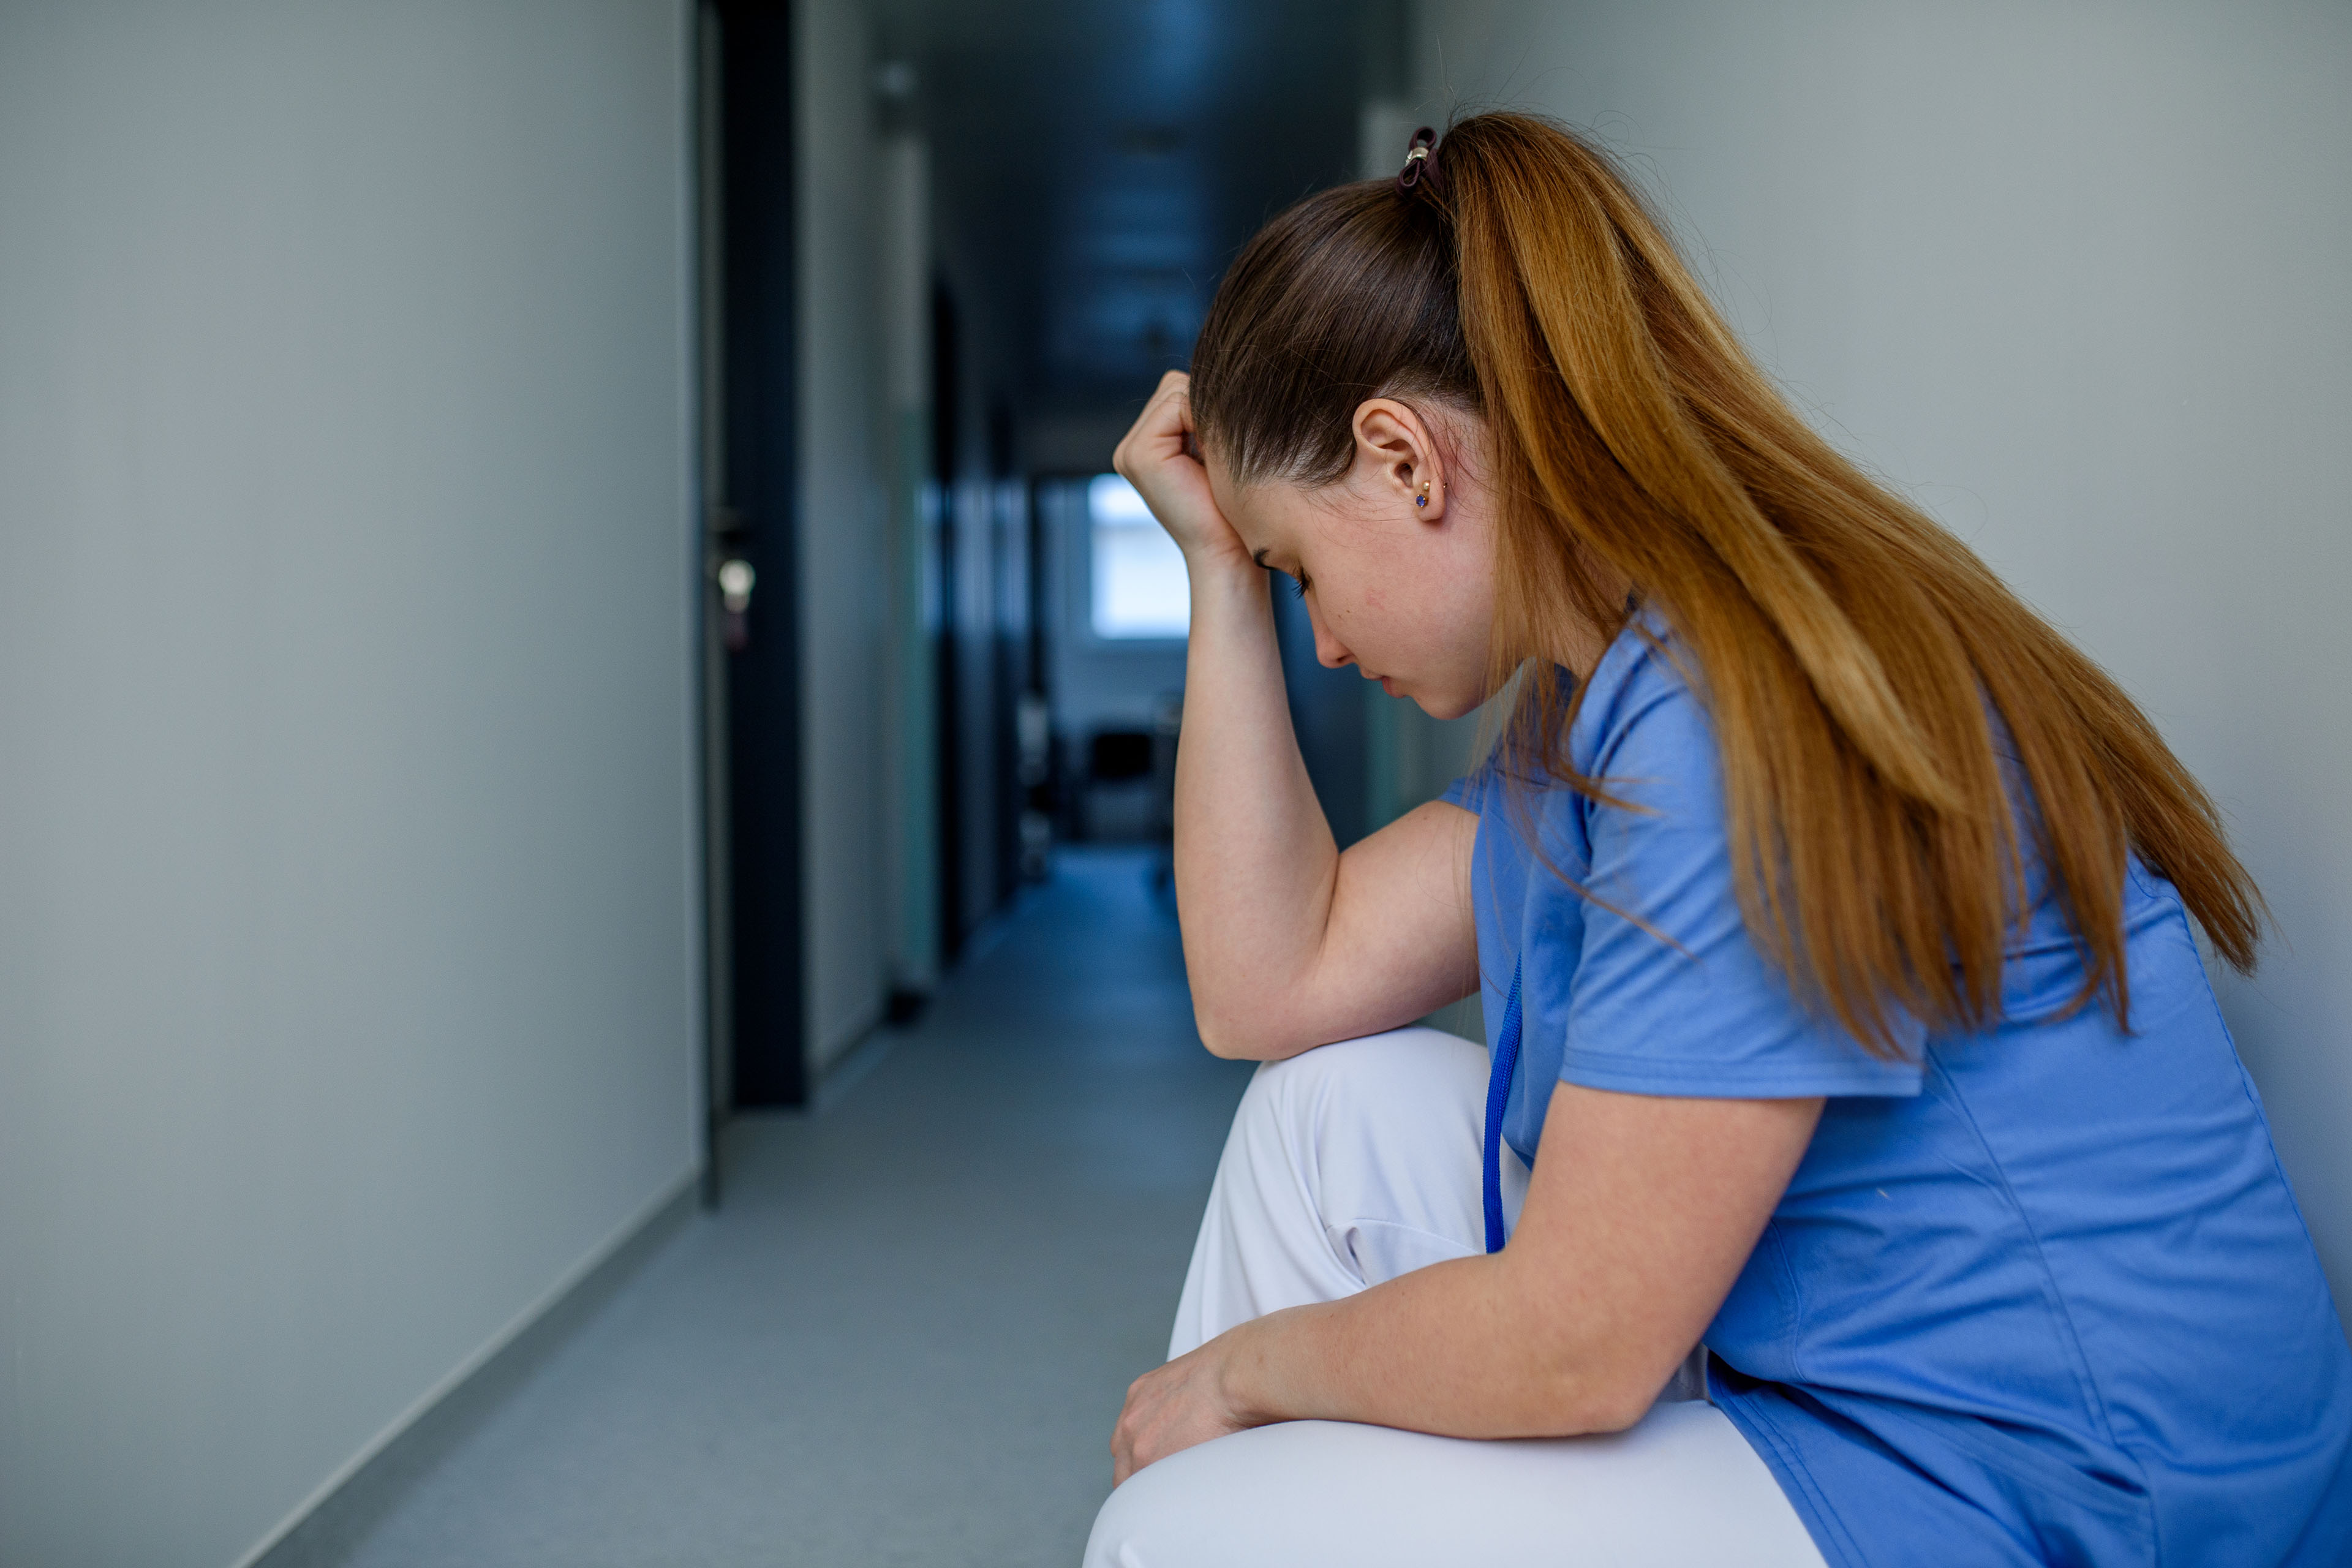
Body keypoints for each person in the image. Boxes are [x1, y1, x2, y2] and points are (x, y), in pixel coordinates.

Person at [1082, 113, 2352, 1568]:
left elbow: (1579, 1344)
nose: (1319, 636)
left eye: (1298, 570)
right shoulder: (1600, 700)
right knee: (1321, 1118)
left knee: (1181, 1524)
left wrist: (1243, 1376)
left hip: (2067, 1493)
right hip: (1856, 1386)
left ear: (1405, 459)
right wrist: (1218, 569)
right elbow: (1271, 982)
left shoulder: (1731, 722)